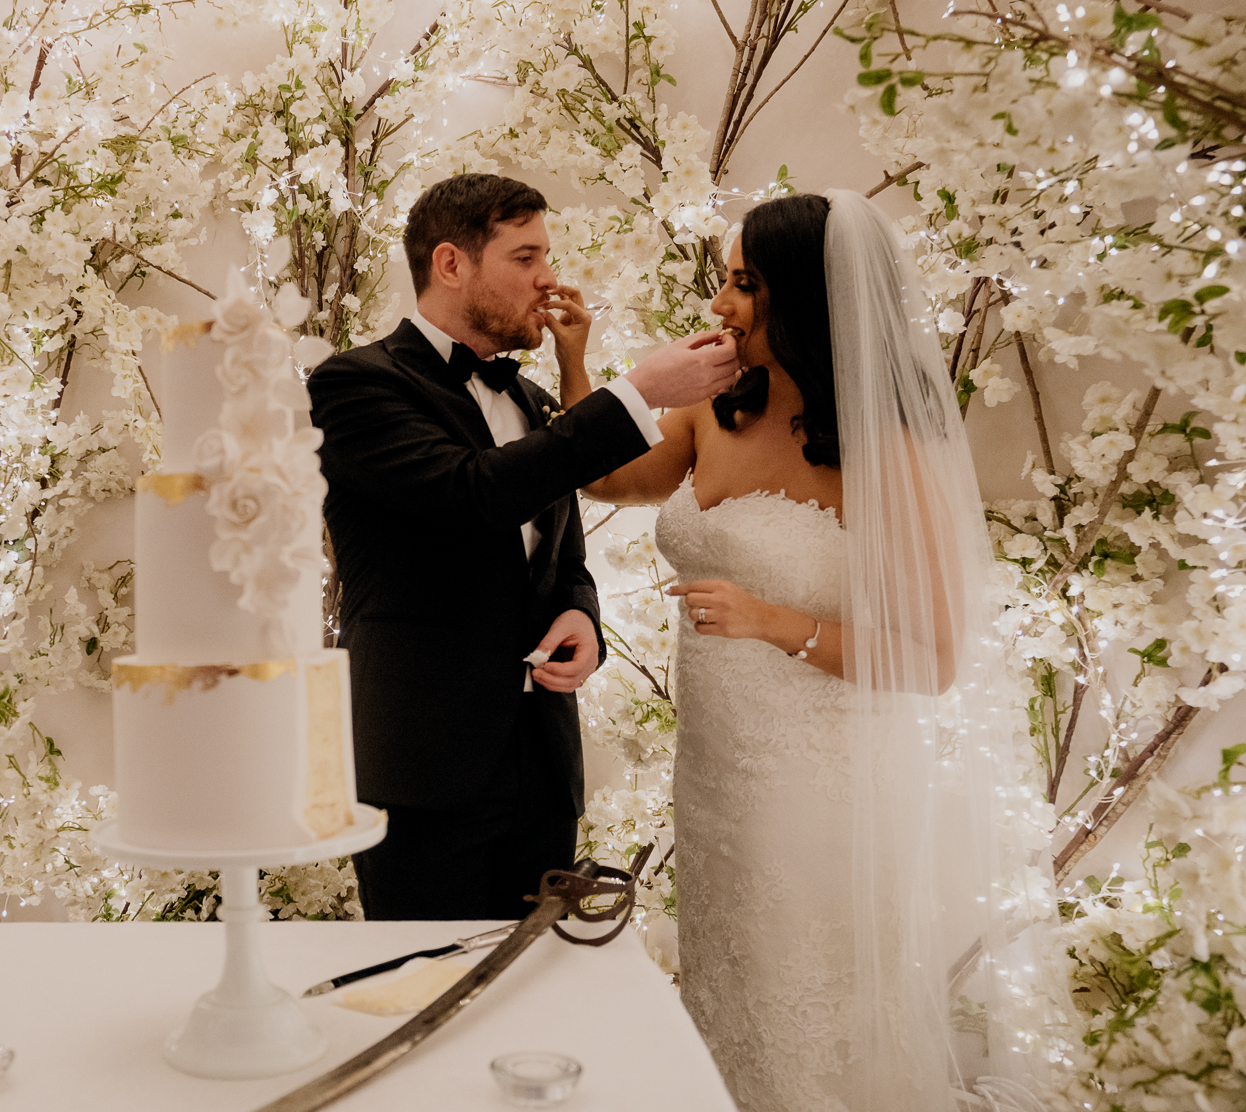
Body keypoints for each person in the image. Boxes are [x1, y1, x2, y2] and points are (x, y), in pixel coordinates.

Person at [559, 191, 1034, 1111]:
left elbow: (931, 658)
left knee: (812, 1007)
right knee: (729, 988)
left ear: (805, 299)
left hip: (821, 783)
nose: (719, 305)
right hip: (718, 777)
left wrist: (773, 620)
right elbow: (611, 477)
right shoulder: (716, 406)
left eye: (742, 284)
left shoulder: (886, 445)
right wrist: (575, 358)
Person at [307, 173, 740, 921]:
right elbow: (471, 493)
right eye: (526, 257)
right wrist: (636, 393)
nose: (549, 279)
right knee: (427, 986)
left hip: (540, 765)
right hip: (423, 769)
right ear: (451, 264)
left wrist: (580, 612)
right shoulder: (354, 384)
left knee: (533, 982)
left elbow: (557, 549)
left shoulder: (534, 402)